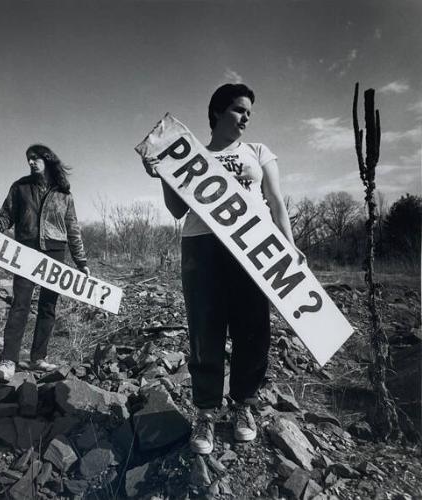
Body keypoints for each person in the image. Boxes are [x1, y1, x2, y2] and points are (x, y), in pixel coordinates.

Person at [142, 83, 305, 454]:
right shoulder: (190, 154)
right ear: (216, 112)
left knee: (253, 329)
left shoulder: (258, 152)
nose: (246, 117)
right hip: (202, 246)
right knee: (205, 329)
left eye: (249, 111)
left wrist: (290, 245)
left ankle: (243, 406)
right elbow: (177, 210)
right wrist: (162, 175)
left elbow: (276, 203)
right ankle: (206, 412)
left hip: (254, 247)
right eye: (238, 110)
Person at [0, 144, 90, 382]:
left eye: (35, 158)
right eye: (28, 159)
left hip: (55, 252)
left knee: (48, 306)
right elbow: (6, 214)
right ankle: (7, 360)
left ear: (47, 159)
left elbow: (73, 229)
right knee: (20, 305)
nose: (31, 162)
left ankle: (38, 357)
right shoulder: (20, 187)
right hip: (26, 252)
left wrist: (81, 261)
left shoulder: (64, 193)